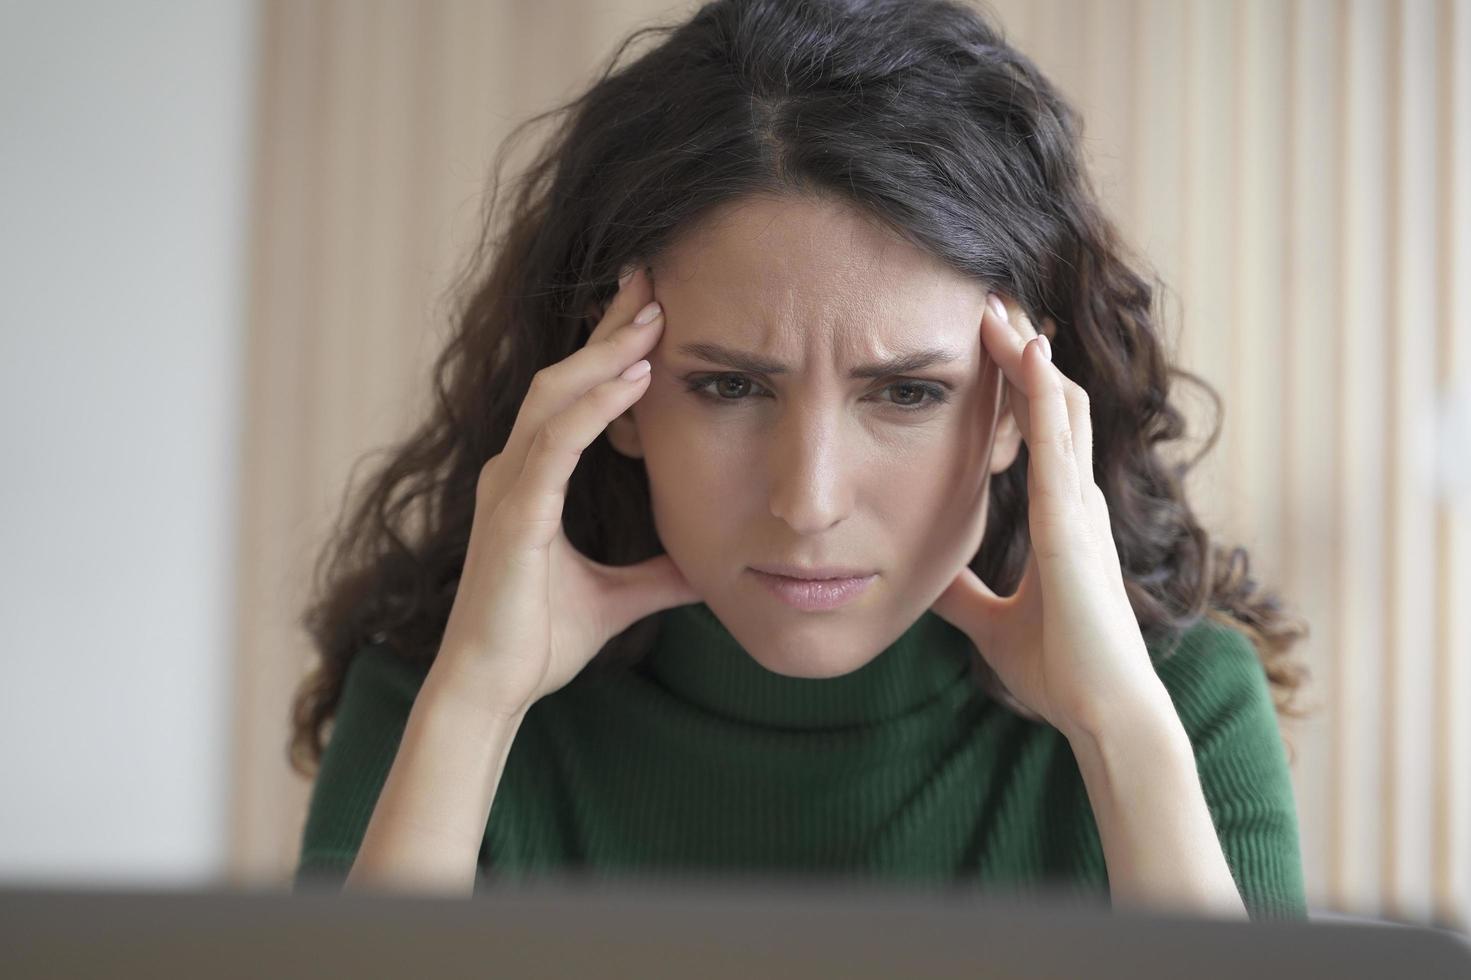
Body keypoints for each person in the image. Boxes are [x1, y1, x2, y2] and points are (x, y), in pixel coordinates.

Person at [288, 0, 1313, 920]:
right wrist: (475, 705)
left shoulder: (1176, 703)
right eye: (729, 386)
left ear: (1019, 408)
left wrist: (1117, 736)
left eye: (907, 392)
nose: (807, 500)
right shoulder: (442, 693)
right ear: (613, 394)